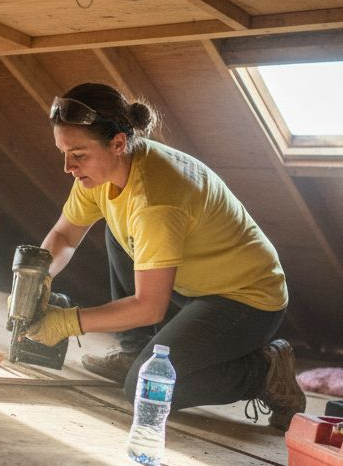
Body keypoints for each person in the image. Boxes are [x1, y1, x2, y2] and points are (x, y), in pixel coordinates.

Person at [22, 82, 305, 430]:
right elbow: (65, 235)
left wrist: (66, 322)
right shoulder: (108, 170)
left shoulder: (156, 202)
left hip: (245, 300)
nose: (68, 166)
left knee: (144, 386)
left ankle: (264, 372)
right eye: (63, 152)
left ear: (118, 143)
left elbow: (148, 307)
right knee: (117, 224)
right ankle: (135, 349)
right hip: (192, 281)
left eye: (78, 155)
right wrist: (37, 277)